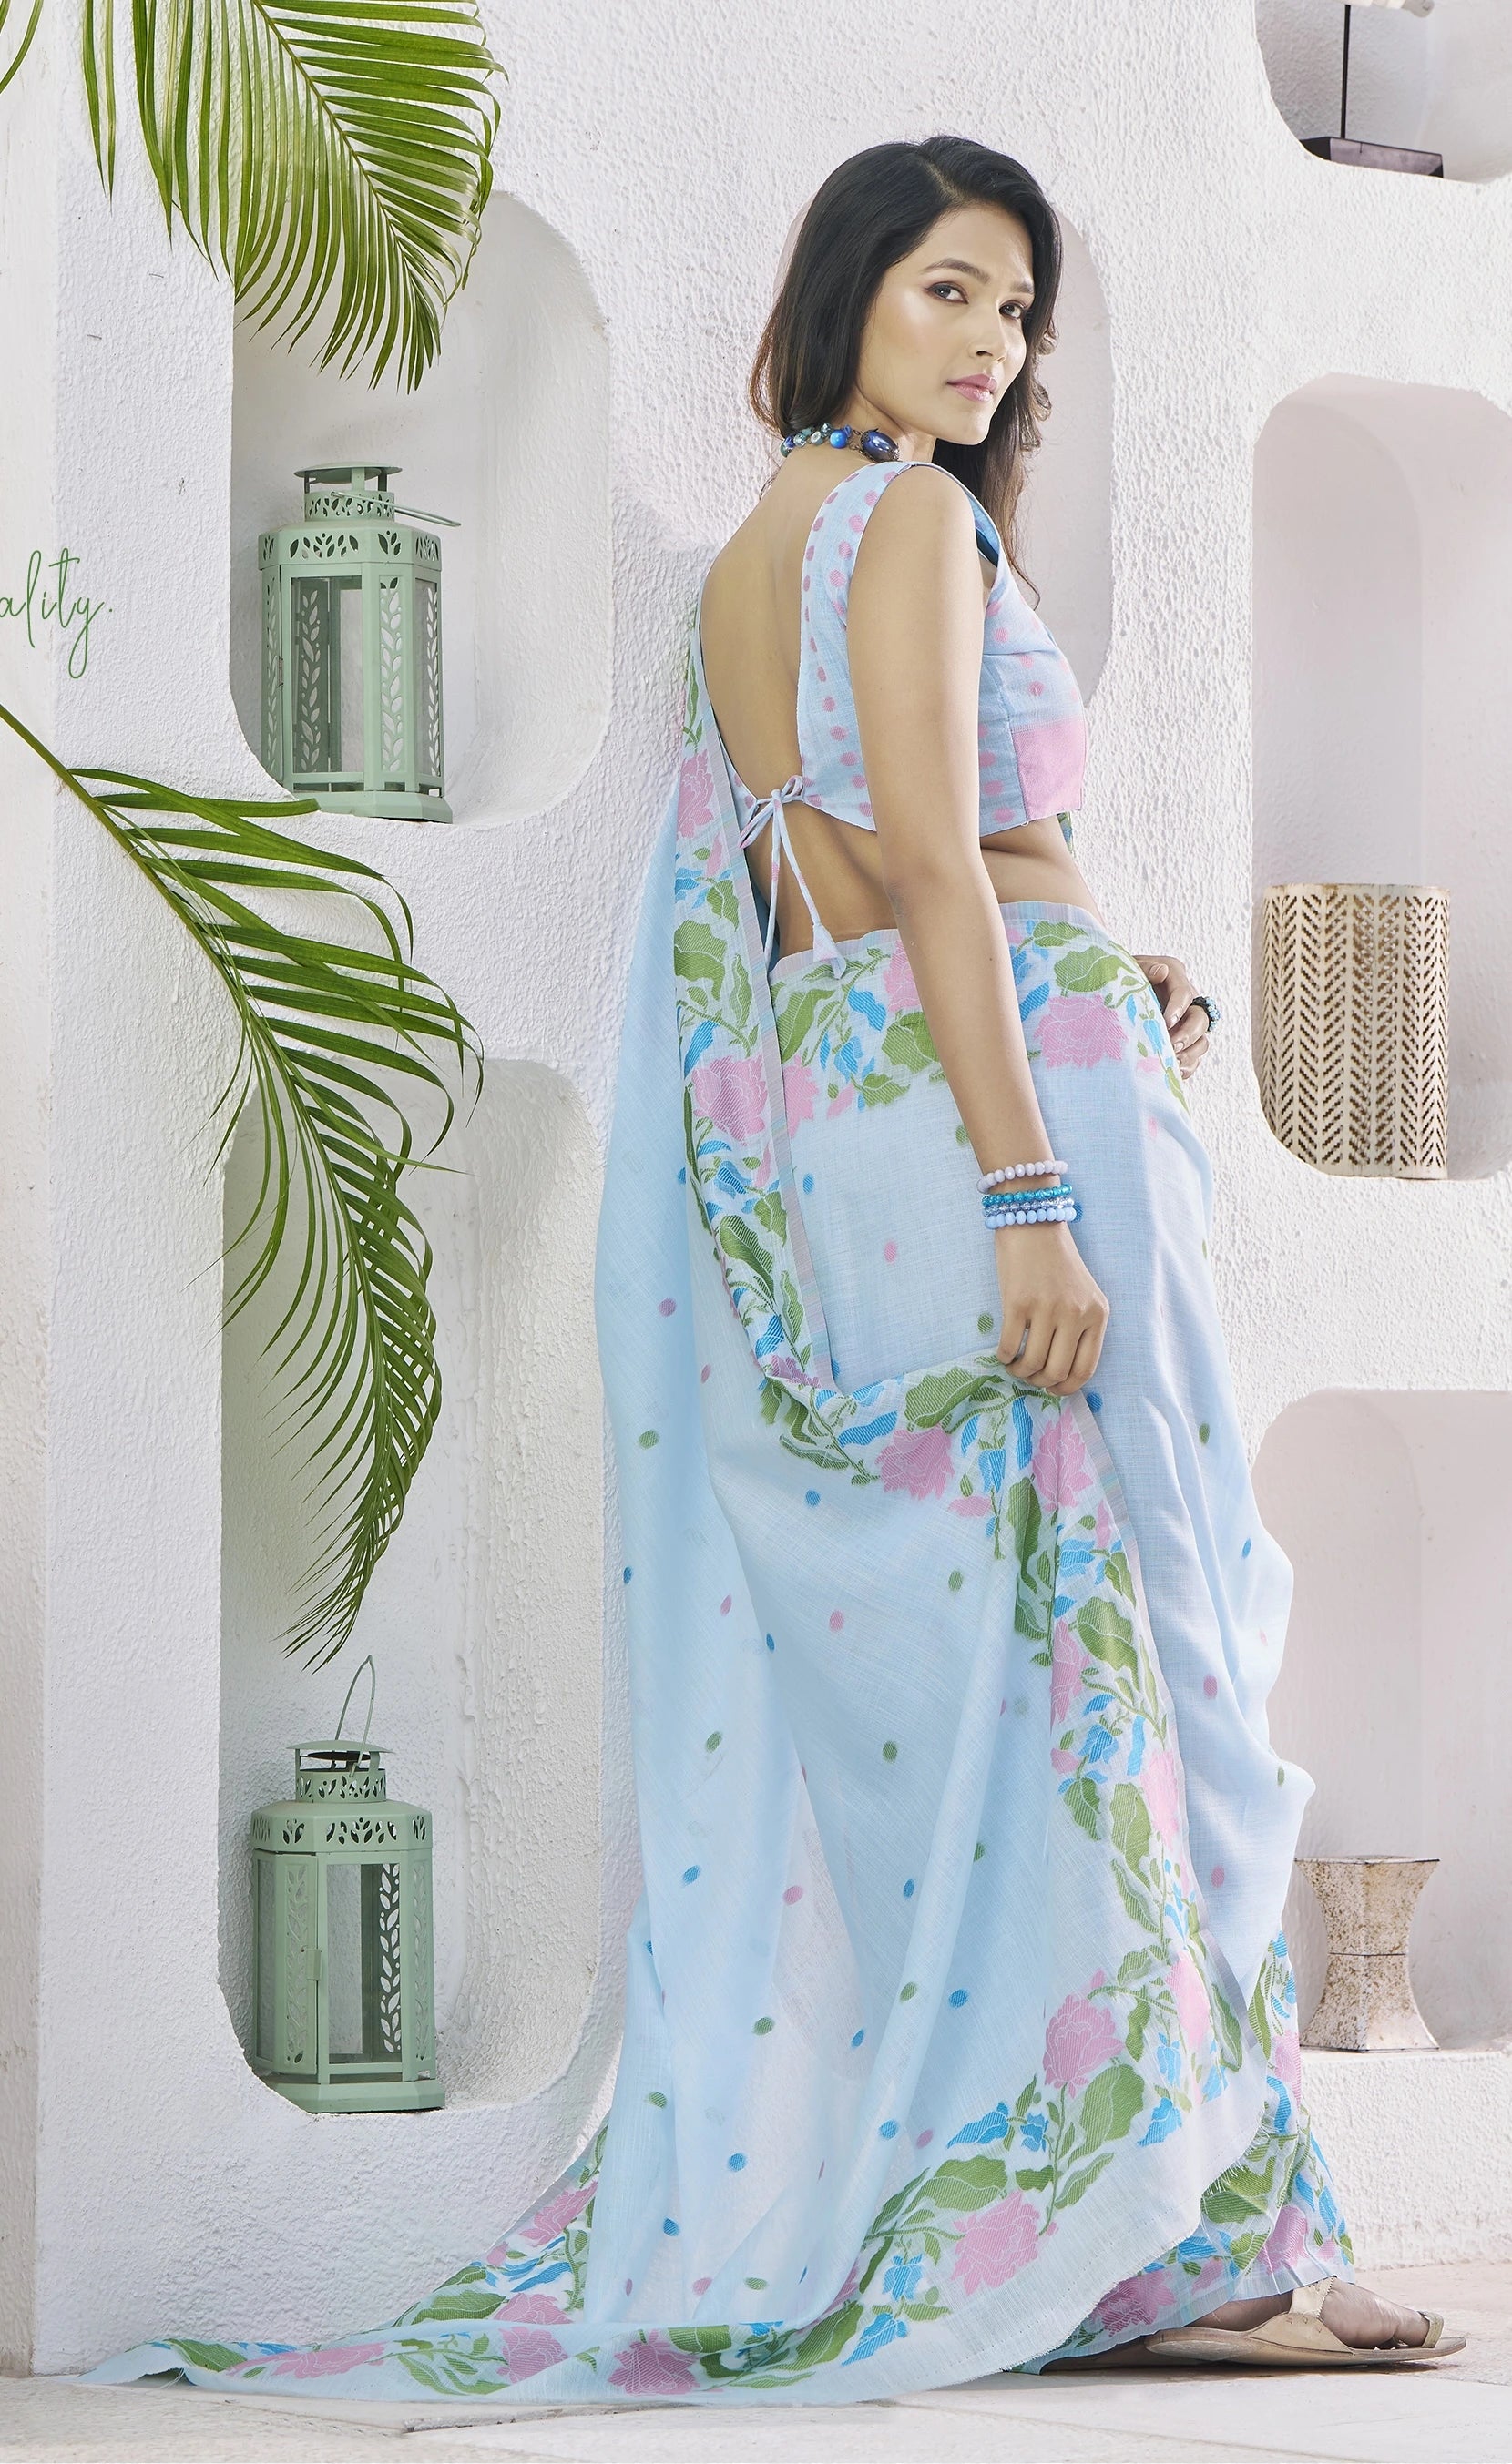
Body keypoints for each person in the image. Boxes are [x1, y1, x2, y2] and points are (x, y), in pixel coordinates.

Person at [84, 133, 1461, 2408]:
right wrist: (1029, 1186)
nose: (986, 341)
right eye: (943, 290)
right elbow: (926, 860)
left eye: (1013, 311)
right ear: (839, 299)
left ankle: (1194, 2225)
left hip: (899, 1101)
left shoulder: (757, 549)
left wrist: (1104, 972)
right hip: (986, 1126)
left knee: (1059, 1668)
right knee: (1127, 1665)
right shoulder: (903, 516)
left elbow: (867, 871)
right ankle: (1178, 2245)